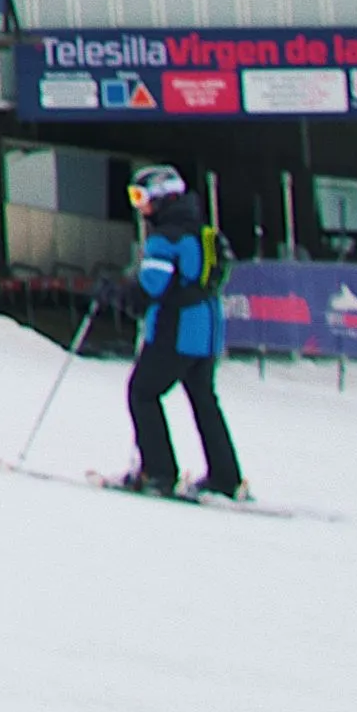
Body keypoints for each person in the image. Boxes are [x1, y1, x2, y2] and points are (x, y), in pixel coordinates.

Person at [121, 160, 245, 498]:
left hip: (175, 332)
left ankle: (159, 473)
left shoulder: (165, 238)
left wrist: (118, 292)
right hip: (207, 333)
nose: (139, 206)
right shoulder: (203, 232)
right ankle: (226, 477)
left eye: (141, 197)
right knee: (204, 399)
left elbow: (152, 287)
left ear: (162, 197)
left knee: (142, 392)